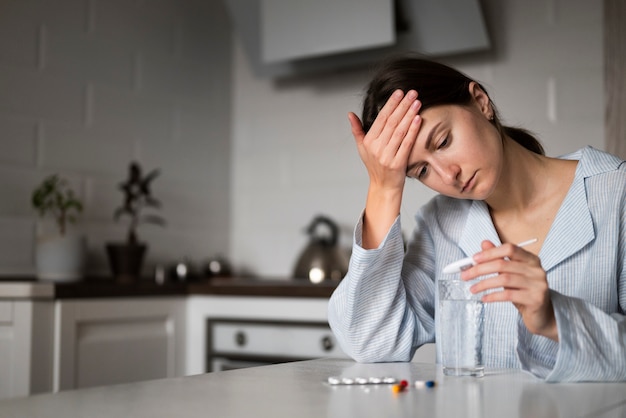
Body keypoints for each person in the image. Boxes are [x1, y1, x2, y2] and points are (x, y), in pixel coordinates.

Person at [327, 55, 626, 382]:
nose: (448, 175)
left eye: (443, 141)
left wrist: (555, 319)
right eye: (422, 171)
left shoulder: (616, 195)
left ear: (481, 102)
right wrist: (383, 188)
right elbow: (369, 341)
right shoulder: (441, 224)